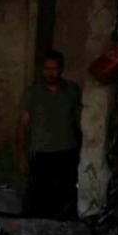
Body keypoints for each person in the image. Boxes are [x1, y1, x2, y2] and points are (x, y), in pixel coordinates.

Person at [17, 50, 82, 219]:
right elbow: (23, 126)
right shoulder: (33, 93)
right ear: (42, 70)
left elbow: (80, 120)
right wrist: (21, 154)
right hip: (41, 153)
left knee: (64, 196)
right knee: (39, 197)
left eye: (54, 68)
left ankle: (60, 231)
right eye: (47, 69)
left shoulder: (72, 91)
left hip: (67, 151)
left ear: (61, 69)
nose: (50, 73)